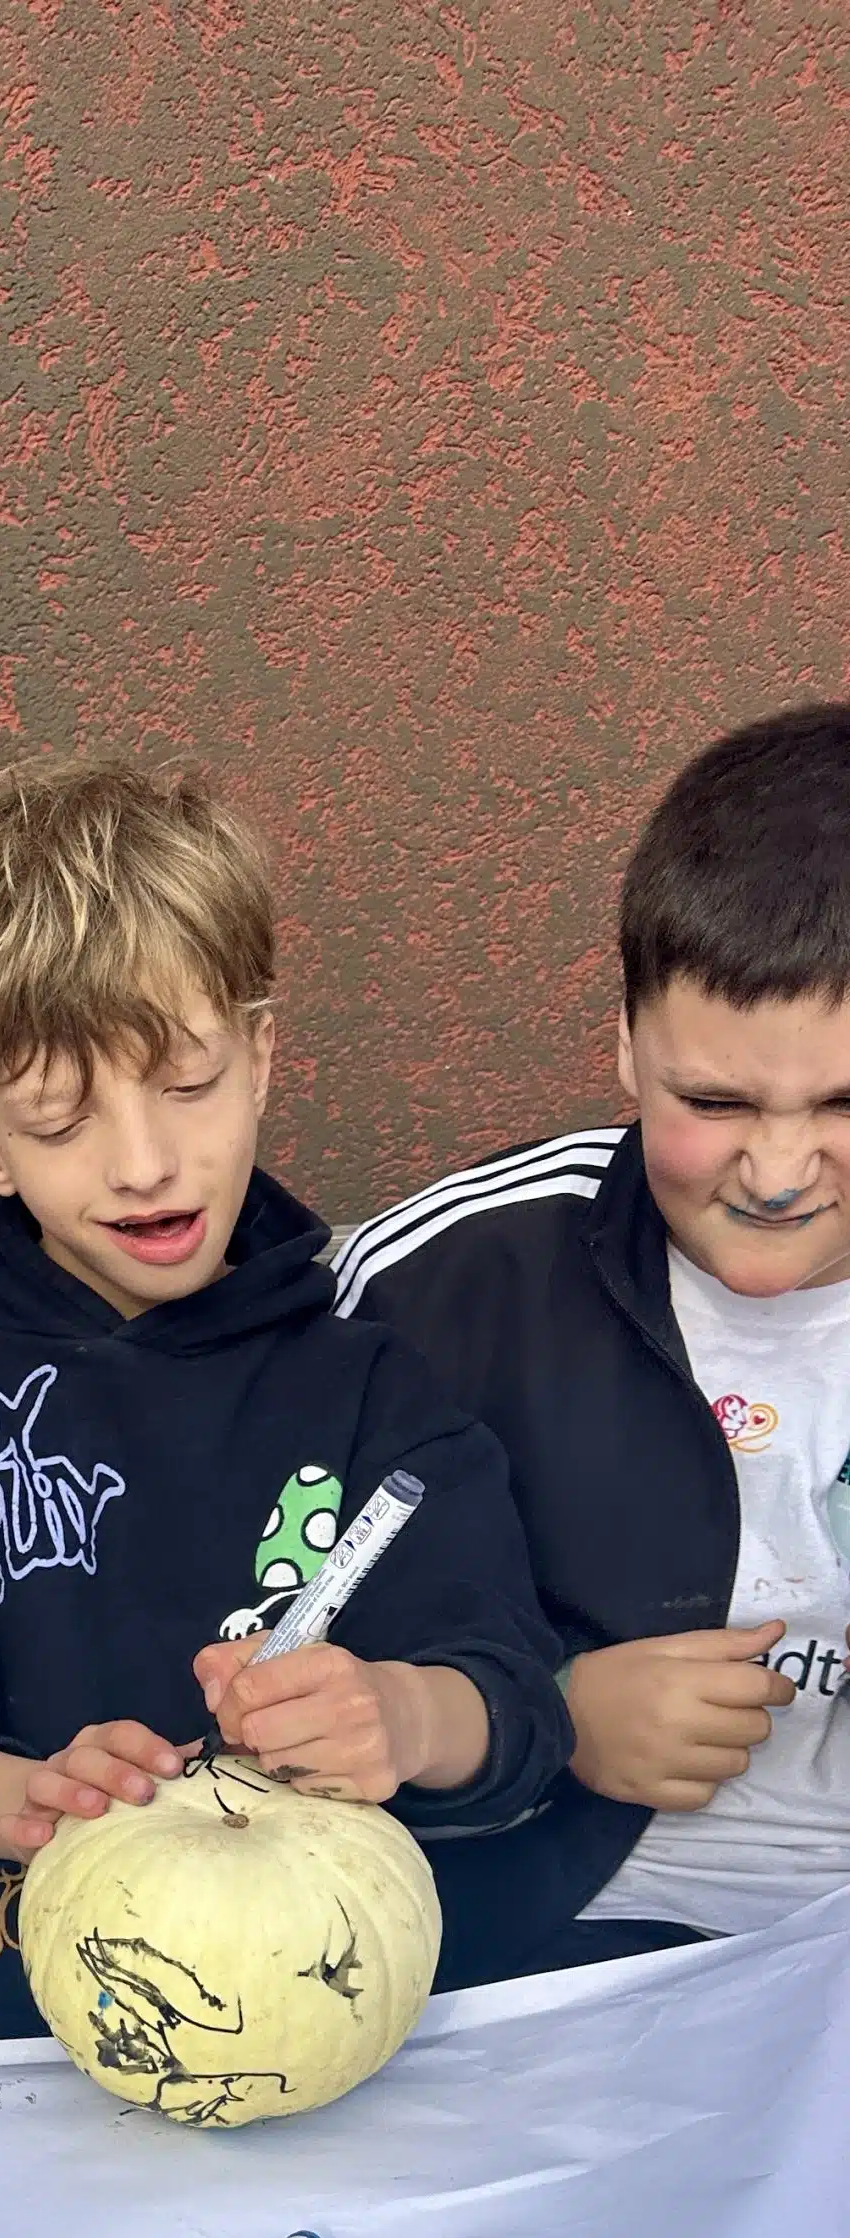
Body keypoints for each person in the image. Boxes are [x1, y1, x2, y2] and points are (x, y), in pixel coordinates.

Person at [0, 754, 572, 2050]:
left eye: (186, 1084)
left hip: (295, 2030)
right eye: (59, 1121)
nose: (143, 1164)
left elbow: (515, 1704)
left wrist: (404, 1715)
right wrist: (21, 1796)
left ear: (260, 1056)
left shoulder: (371, 1391)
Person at [329, 703, 850, 1980]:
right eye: (714, 1100)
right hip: (559, 1950)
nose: (779, 1172)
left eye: (844, 1105)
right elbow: (287, 1649)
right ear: (623, 1043)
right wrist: (559, 1714)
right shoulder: (441, 1286)